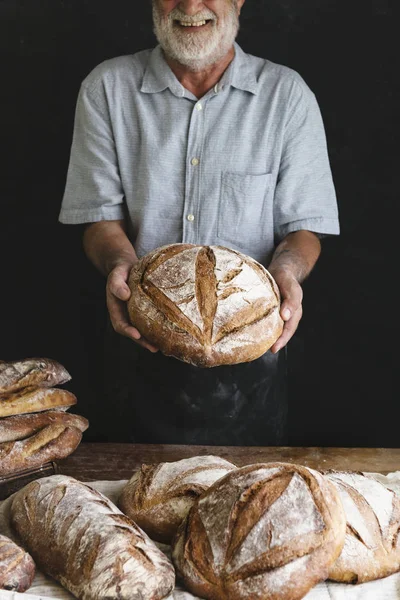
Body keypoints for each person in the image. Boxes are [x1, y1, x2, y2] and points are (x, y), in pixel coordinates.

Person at [59, 0, 340, 445]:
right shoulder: (107, 88)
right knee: (129, 497)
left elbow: (304, 228)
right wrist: (120, 264)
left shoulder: (286, 96)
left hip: (251, 359)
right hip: (139, 344)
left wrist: (286, 272)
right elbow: (99, 219)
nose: (190, 6)